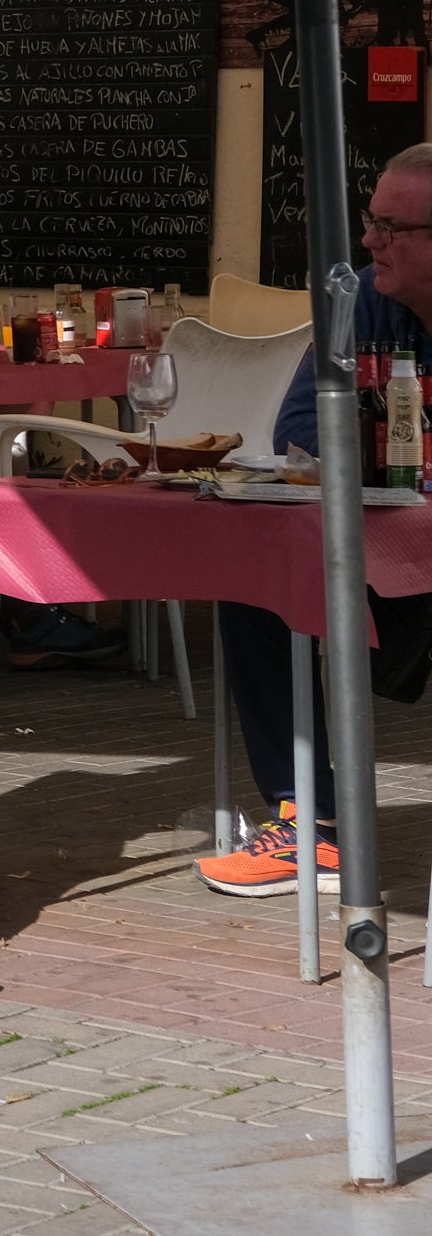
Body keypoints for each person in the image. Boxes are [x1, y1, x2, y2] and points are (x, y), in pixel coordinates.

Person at [192, 144, 432, 897]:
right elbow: (297, 434)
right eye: (368, 221)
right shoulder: (361, 299)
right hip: (382, 542)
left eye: (389, 227)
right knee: (255, 587)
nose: (368, 241)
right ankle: (307, 822)